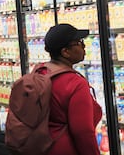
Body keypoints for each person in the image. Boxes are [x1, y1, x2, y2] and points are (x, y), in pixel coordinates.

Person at [43, 23, 102, 155]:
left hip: (43, 147)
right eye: (79, 42)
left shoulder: (40, 72)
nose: (84, 46)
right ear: (65, 52)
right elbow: (83, 132)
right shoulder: (75, 83)